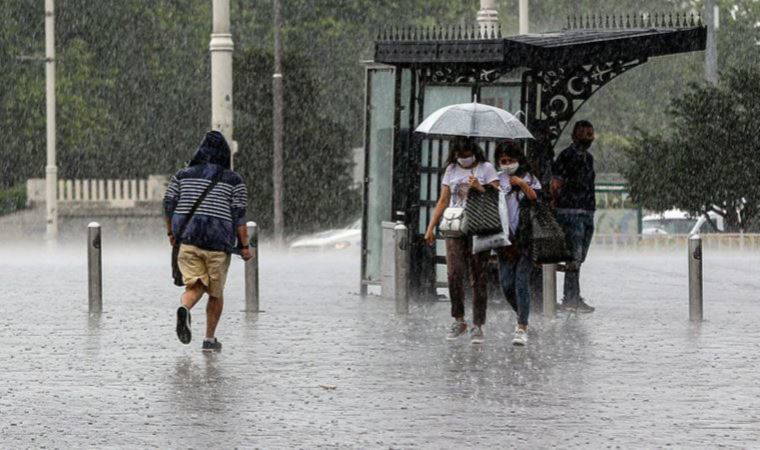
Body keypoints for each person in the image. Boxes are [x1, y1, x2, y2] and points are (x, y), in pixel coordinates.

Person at [163, 131, 252, 352]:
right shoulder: (234, 180)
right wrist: (244, 246)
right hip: (218, 244)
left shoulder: (182, 175)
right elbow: (239, 217)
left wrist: (171, 233)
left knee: (195, 285)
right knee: (215, 293)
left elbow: (168, 204)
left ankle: (185, 308)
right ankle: (209, 340)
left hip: (188, 240)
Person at [424, 137, 499, 344]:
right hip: (456, 226)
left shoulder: (486, 168)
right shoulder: (451, 169)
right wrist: (431, 227)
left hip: (479, 226)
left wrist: (480, 187)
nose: (463, 159)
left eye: (467, 155)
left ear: (473, 152)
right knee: (454, 273)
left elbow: (497, 196)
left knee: (478, 275)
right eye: (459, 155)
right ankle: (459, 318)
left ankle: (478, 324)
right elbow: (443, 200)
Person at [495, 142, 540, 346]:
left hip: (526, 239)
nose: (507, 164)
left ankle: (522, 326)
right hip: (505, 240)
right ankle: (523, 314)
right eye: (503, 161)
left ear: (518, 160)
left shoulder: (529, 178)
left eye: (510, 160)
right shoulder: (497, 179)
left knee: (521, 281)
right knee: (506, 284)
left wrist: (522, 184)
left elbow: (536, 199)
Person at [551, 120, 596, 313]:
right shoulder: (566, 156)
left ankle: (573, 295)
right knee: (574, 256)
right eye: (585, 133)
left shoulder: (589, 159)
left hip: (586, 212)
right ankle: (571, 298)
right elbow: (555, 184)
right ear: (574, 136)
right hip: (570, 213)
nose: (589, 137)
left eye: (590, 134)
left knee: (579, 257)